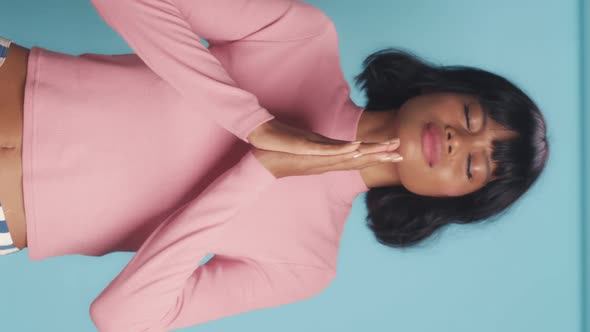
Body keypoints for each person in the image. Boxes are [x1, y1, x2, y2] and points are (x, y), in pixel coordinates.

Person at [0, 0, 548, 330]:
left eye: (474, 168)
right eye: (471, 115)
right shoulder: (305, 37)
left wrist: (260, 168)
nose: (457, 142)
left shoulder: (306, 266)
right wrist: (255, 123)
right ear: (445, 88)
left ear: (448, 202)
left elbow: (120, 318)